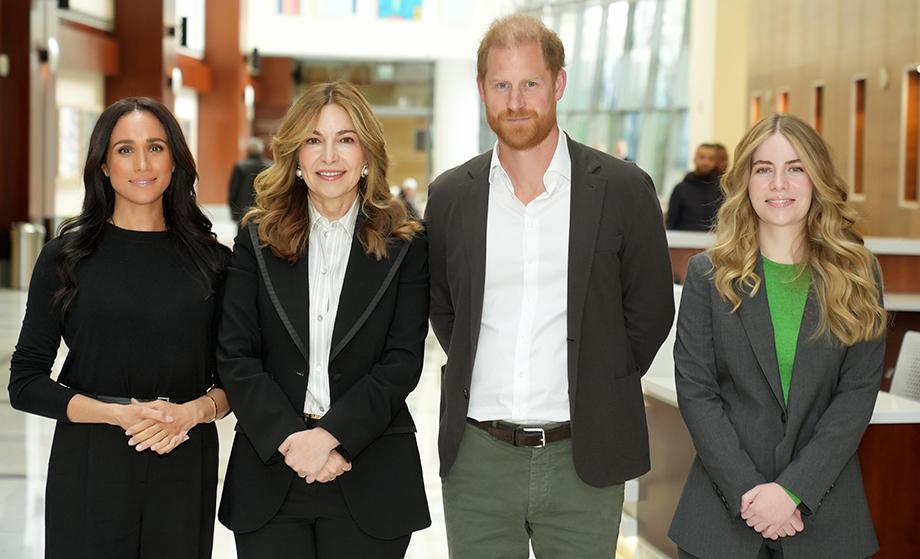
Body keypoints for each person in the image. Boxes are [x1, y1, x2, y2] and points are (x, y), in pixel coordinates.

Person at [425, 14, 674, 559]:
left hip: (584, 457)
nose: (516, 101)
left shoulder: (624, 190)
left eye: (531, 83)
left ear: (558, 84)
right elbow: (445, 308)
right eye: (501, 84)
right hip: (478, 458)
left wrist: (599, 379)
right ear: (482, 90)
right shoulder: (450, 197)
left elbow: (651, 312)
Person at [8, 97, 231, 559]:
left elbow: (237, 378)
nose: (143, 163)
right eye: (125, 150)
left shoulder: (214, 262)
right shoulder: (65, 258)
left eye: (155, 147)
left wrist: (194, 413)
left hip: (183, 453)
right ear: (104, 166)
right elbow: (25, 382)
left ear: (175, 161)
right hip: (91, 457)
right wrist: (117, 415)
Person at [216, 80, 430, 558]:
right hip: (272, 468)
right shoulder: (257, 239)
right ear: (295, 156)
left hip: (369, 469)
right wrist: (294, 441)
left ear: (368, 157)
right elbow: (236, 355)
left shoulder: (406, 244)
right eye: (314, 140)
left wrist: (330, 439)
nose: (329, 156)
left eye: (346, 139)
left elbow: (401, 363)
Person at [668, 114, 887, 558]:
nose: (778, 183)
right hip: (722, 520)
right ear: (745, 180)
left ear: (817, 178)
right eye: (764, 169)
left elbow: (856, 396)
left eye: (796, 167)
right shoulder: (707, 276)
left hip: (827, 520)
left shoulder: (858, 274)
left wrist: (793, 491)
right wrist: (749, 491)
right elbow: (696, 392)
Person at [667, 143, 723, 230]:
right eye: (702, 157)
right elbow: (671, 224)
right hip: (684, 242)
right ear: (694, 159)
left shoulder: (723, 189)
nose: (705, 162)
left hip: (716, 242)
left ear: (715, 162)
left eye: (711, 159)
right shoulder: (680, 189)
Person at [228, 137, 270, 231]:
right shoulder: (269, 166)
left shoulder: (240, 166)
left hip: (243, 209)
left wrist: (233, 211)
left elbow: (233, 190)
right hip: (263, 208)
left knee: (242, 237)